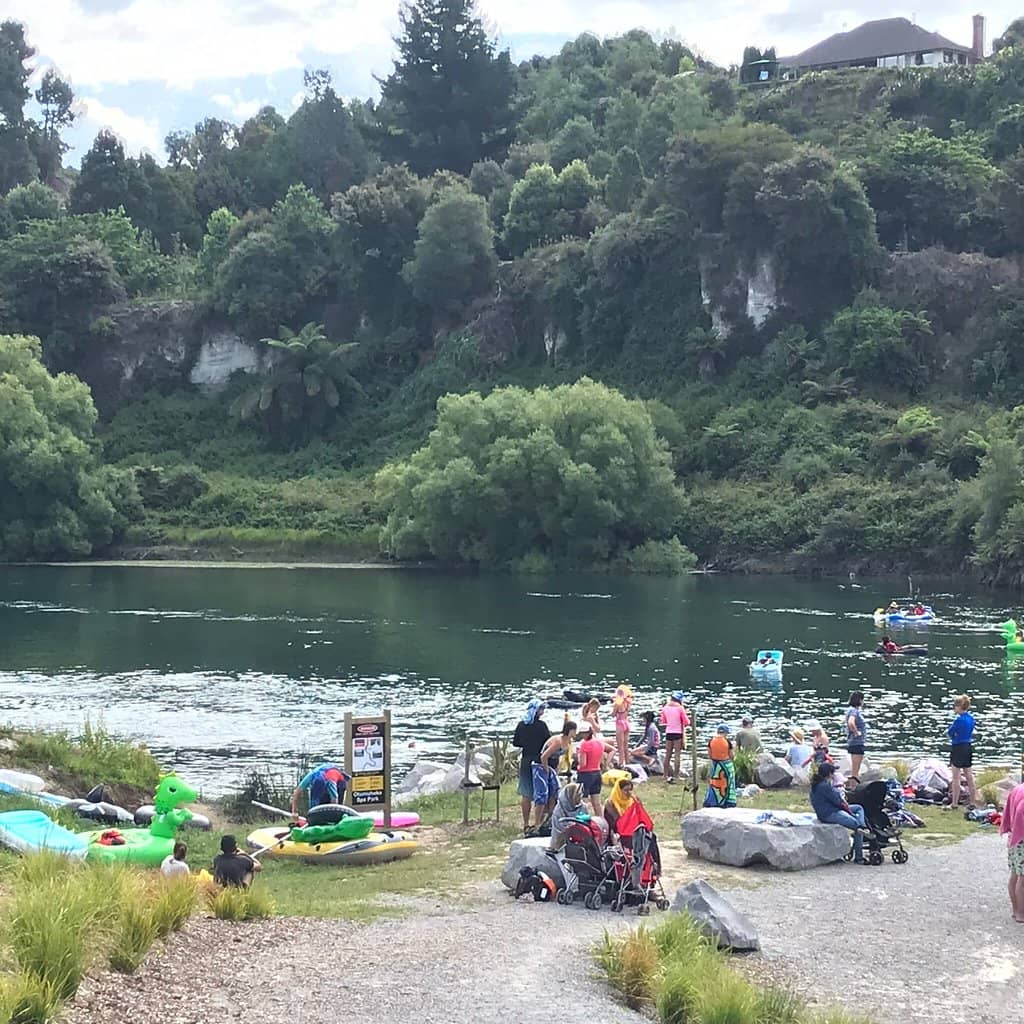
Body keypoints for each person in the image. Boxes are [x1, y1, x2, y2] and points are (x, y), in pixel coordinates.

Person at [810, 762, 868, 864]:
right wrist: (845, 805)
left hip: (830, 810)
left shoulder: (818, 784)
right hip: (830, 813)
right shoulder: (824, 786)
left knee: (858, 808)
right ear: (829, 774)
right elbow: (837, 801)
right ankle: (859, 857)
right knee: (857, 827)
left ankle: (862, 824)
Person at [512, 698, 551, 833]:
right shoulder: (542, 726)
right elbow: (548, 742)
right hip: (538, 760)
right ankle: (537, 822)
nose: (543, 711)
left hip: (526, 760)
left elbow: (516, 742)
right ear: (536, 710)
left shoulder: (521, 725)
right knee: (540, 792)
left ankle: (525, 823)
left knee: (526, 794)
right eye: (541, 708)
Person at [533, 721, 576, 829]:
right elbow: (544, 756)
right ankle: (537, 822)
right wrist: (546, 770)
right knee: (542, 794)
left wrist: (557, 770)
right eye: (574, 730)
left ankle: (550, 818)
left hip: (552, 767)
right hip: (541, 766)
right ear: (570, 730)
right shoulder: (558, 741)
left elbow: (561, 757)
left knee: (554, 792)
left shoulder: (568, 742)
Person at [947, 695, 978, 809]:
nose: (954, 708)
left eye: (955, 706)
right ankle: (972, 802)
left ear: (960, 707)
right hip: (968, 746)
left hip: (958, 747)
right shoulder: (971, 718)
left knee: (956, 776)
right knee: (969, 775)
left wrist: (954, 736)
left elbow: (950, 733)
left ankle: (954, 803)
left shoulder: (959, 720)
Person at [1000, 783, 1024, 923]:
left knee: (1015, 875)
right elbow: (1021, 811)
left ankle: (1016, 910)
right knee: (1022, 878)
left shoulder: (1018, 789)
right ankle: (1021, 912)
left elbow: (1008, 809)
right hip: (1022, 839)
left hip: (1014, 837)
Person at [575, 720, 606, 817]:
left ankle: (584, 821)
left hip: (585, 774)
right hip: (597, 772)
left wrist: (577, 763)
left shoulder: (584, 744)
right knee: (596, 801)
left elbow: (583, 763)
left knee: (583, 800)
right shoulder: (599, 742)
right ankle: (601, 821)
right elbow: (601, 760)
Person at [660, 691, 690, 785]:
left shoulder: (665, 708)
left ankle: (665, 775)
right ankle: (676, 776)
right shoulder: (680, 708)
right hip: (678, 733)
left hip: (668, 732)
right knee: (677, 755)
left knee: (668, 754)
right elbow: (687, 722)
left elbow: (663, 721)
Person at [703, 725, 737, 808]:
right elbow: (731, 755)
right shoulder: (727, 742)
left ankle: (712, 801)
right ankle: (728, 801)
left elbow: (710, 755)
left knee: (714, 784)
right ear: (725, 733)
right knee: (729, 783)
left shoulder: (711, 741)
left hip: (715, 765)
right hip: (726, 765)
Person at [549, 782, 585, 851]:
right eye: (578, 795)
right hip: (560, 842)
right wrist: (573, 826)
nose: (580, 797)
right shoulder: (559, 810)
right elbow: (559, 829)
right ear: (570, 796)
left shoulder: (582, 807)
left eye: (581, 795)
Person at [846, 692, 867, 783]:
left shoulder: (851, 710)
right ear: (859, 700)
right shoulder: (854, 711)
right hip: (857, 742)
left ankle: (853, 783)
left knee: (855, 768)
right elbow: (851, 722)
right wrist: (856, 732)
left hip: (855, 742)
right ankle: (854, 784)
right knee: (855, 771)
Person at [612, 683, 633, 768]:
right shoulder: (628, 702)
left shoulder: (617, 704)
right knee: (626, 746)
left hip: (620, 724)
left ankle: (621, 764)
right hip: (626, 723)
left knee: (620, 747)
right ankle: (628, 763)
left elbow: (613, 714)